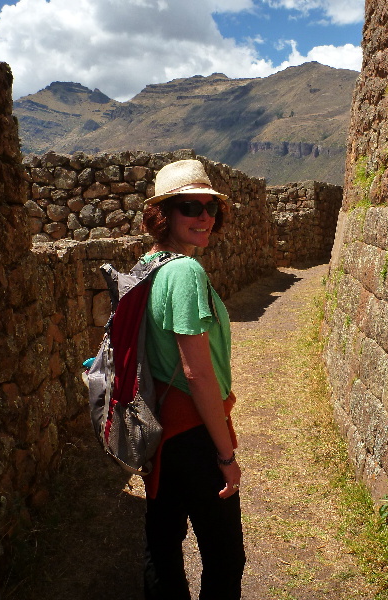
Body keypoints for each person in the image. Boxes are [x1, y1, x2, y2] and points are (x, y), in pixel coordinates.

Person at [139, 159, 245, 599]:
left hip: (161, 433)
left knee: (163, 549)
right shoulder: (184, 272)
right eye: (190, 207)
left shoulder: (149, 266)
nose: (204, 217)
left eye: (210, 208)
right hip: (193, 437)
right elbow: (197, 373)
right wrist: (225, 455)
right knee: (224, 557)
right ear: (164, 215)